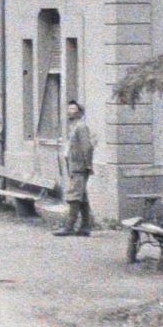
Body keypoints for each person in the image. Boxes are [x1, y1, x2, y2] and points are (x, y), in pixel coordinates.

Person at [53, 100, 97, 236]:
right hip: (74, 167)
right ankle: (85, 227)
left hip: (79, 167)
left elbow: (87, 147)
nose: (70, 111)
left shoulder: (81, 127)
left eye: (73, 109)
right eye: (69, 109)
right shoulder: (74, 127)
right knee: (82, 197)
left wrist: (88, 165)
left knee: (74, 196)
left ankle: (69, 227)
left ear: (80, 112)